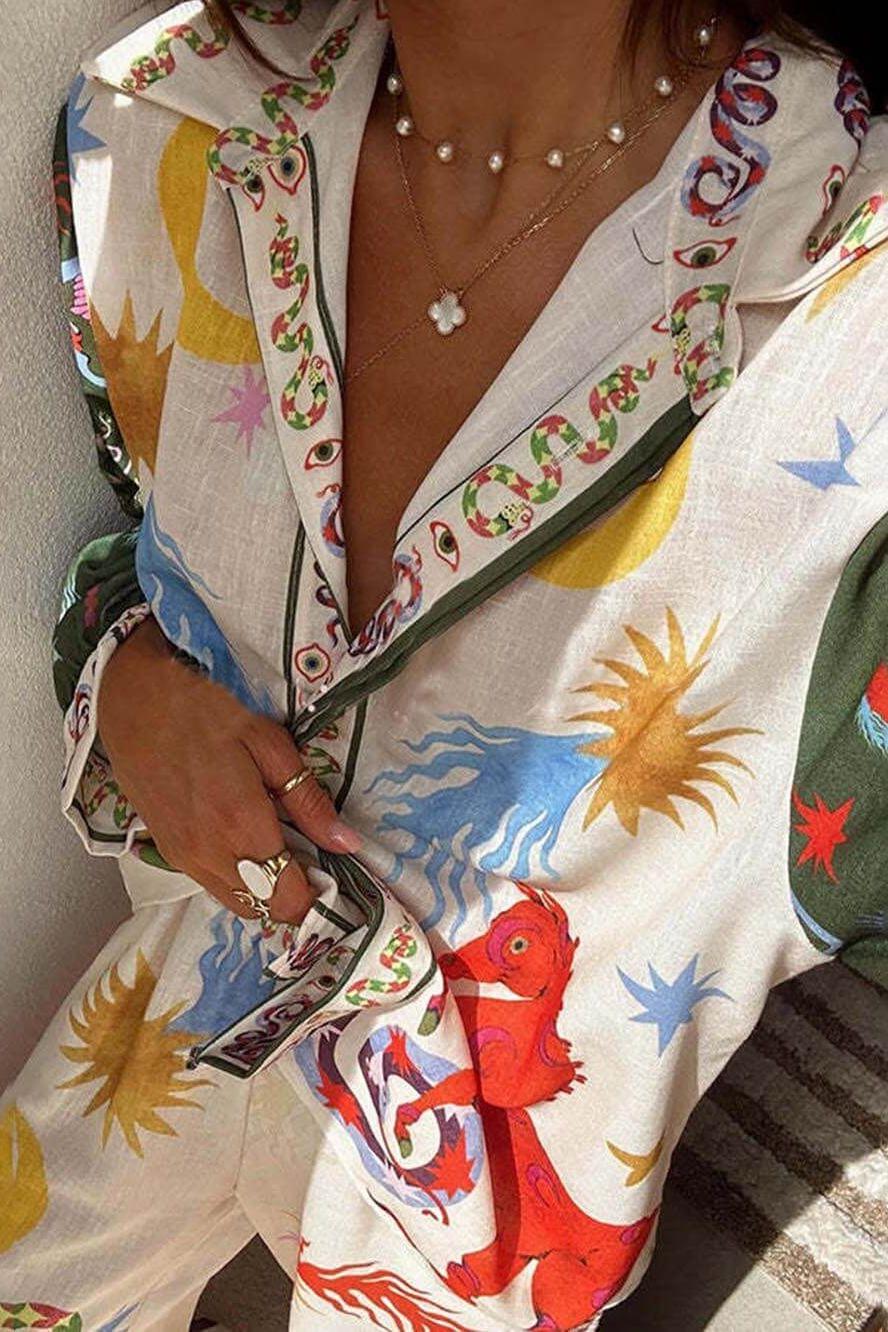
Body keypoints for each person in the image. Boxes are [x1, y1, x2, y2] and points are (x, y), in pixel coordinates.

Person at [2, 0, 886, 1327]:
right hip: (159, 1036)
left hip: (486, 1249)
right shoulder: (166, 131)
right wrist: (124, 675)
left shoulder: (847, 324)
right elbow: (155, 540)